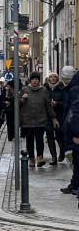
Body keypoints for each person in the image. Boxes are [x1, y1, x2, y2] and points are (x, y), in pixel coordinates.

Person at [20, 72, 57, 168]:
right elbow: (18, 104)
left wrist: (53, 117)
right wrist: (23, 99)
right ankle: (31, 159)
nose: (34, 81)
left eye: (36, 79)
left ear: (39, 80)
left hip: (41, 120)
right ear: (30, 80)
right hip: (27, 120)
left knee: (40, 140)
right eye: (33, 79)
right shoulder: (24, 89)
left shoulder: (43, 90)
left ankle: (40, 158)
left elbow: (48, 105)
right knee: (30, 141)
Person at [60, 66, 79, 195]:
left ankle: (75, 185)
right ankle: (74, 184)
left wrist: (76, 133)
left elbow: (76, 112)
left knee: (77, 159)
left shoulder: (75, 90)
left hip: (76, 131)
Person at [48, 72, 66, 164]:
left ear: (57, 79)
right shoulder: (45, 89)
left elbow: (66, 103)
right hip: (48, 116)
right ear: (48, 79)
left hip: (59, 116)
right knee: (49, 136)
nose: (52, 78)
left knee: (59, 136)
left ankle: (62, 151)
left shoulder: (62, 89)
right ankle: (53, 157)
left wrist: (57, 104)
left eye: (55, 77)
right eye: (51, 77)